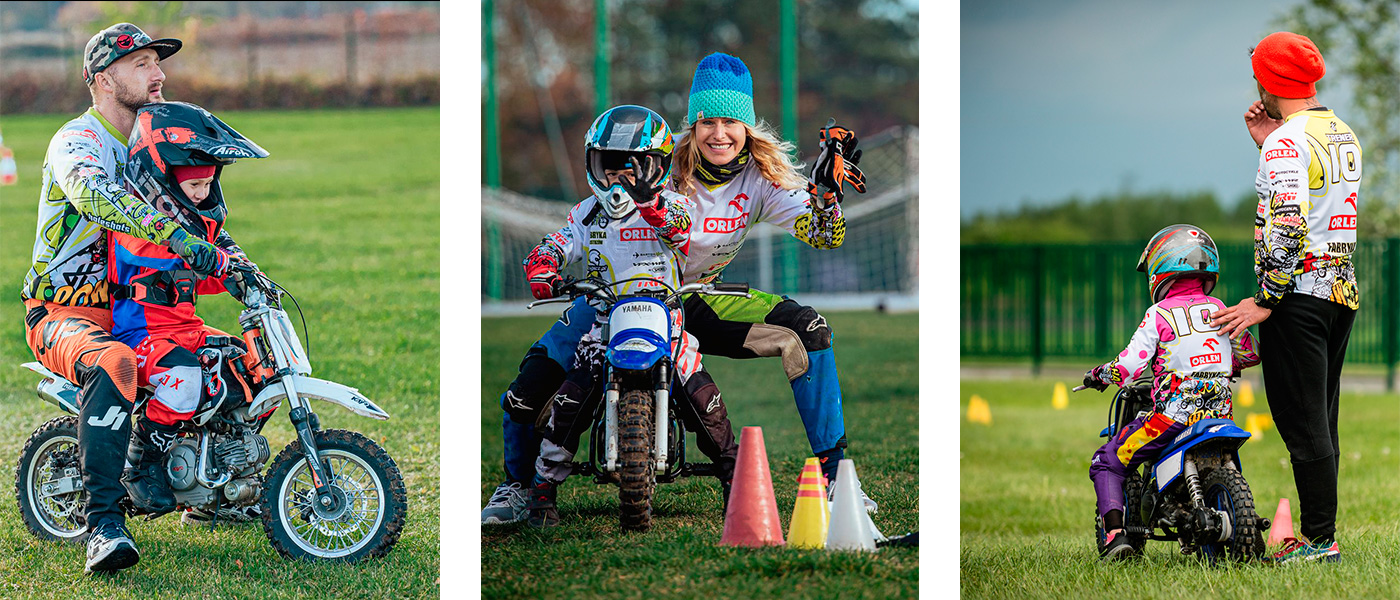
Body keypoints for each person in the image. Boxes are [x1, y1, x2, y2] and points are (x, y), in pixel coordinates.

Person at [484, 52, 871, 524]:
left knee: (808, 331)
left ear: (748, 126)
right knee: (531, 385)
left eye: (732, 121)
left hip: (695, 297)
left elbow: (824, 236)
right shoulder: (658, 160)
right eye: (708, 120)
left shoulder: (762, 179)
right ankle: (519, 488)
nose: (719, 133)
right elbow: (593, 215)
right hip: (618, 296)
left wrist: (827, 199)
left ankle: (834, 480)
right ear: (693, 124)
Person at [21, 23, 231, 575]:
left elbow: (197, 214)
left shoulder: (153, 143)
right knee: (113, 362)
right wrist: (173, 234)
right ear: (103, 79)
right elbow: (95, 194)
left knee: (234, 362)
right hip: (64, 312)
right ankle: (103, 526)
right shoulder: (76, 141)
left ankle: (203, 490)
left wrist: (231, 263)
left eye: (157, 63)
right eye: (141, 64)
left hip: (137, 309)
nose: (158, 74)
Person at [519, 104, 738, 527]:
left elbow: (679, 229)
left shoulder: (676, 204)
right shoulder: (586, 214)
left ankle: (733, 474)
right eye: (611, 167)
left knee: (702, 396)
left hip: (668, 321)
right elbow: (557, 243)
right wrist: (543, 268)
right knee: (572, 398)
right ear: (592, 165)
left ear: (658, 167)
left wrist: (648, 198)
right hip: (604, 324)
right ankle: (543, 488)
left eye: (634, 168)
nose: (621, 179)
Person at [1211, 31, 1360, 564]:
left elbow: (1289, 224)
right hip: (1338, 292)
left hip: (1295, 297)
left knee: (1302, 424)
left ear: (1268, 81)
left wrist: (1265, 300)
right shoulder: (1340, 133)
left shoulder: (1286, 143)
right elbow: (1321, 206)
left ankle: (1321, 543)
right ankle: (1323, 535)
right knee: (1323, 420)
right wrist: (1266, 142)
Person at [109, 101, 268, 522]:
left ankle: (215, 484)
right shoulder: (136, 223)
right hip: (139, 335)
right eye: (194, 185)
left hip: (186, 329)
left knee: (255, 371)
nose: (201, 194)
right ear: (161, 182)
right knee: (184, 378)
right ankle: (140, 460)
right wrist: (208, 255)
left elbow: (210, 277)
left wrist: (244, 276)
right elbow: (158, 254)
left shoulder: (196, 226)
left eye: (207, 185)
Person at [1084, 225, 1260, 561]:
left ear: (1161, 266)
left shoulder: (1159, 314)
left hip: (1172, 418)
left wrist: (1099, 374)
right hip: (1219, 415)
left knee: (1107, 460)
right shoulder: (1219, 307)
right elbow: (1250, 352)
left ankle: (1115, 537)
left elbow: (1129, 367)